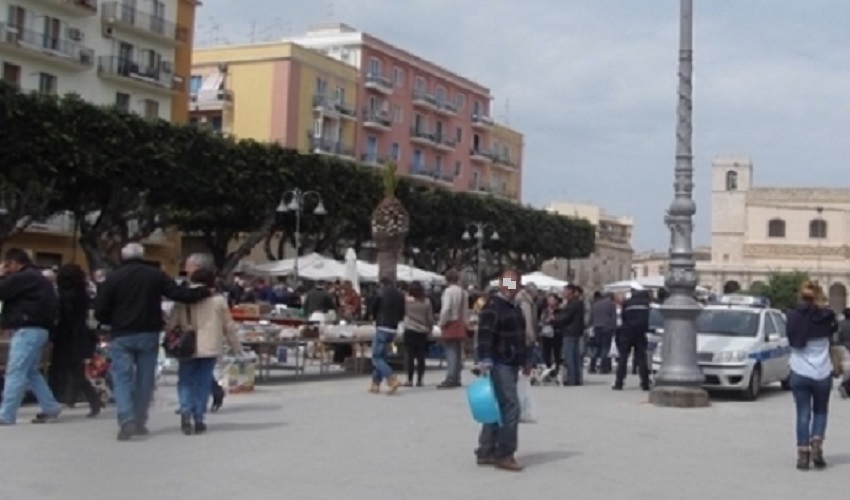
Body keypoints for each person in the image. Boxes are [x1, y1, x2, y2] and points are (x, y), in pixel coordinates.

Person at [95, 243, 211, 441]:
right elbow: (178, 294)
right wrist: (203, 291)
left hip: (121, 334)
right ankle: (140, 420)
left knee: (122, 378)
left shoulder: (113, 277)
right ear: (142, 256)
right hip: (148, 332)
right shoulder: (154, 274)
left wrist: (110, 321)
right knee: (145, 379)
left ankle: (126, 421)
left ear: (123, 257)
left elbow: (100, 310)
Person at [167, 265, 244, 435]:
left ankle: (185, 410)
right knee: (202, 382)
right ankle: (199, 417)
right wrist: (236, 347)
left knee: (185, 380)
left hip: (186, 346)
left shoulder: (182, 300)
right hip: (209, 346)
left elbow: (172, 324)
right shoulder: (218, 301)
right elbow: (228, 326)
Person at [474, 269, 529, 472]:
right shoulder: (494, 306)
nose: (512, 287)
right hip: (500, 362)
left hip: (512, 361)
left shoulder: (514, 307)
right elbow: (485, 335)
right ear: (501, 284)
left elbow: (520, 336)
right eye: (509, 282)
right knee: (511, 407)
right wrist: (485, 359)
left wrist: (525, 359)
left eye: (516, 283)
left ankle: (486, 449)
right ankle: (505, 453)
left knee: (496, 406)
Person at [0, 248, 62, 425]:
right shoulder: (38, 278)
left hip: (27, 329)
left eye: (7, 265)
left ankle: (6, 414)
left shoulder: (23, 277)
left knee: (16, 371)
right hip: (39, 329)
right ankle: (50, 407)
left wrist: (1, 275)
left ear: (13, 263)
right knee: (31, 372)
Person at [786, 281, 836, 470]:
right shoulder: (827, 316)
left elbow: (790, 338)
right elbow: (833, 333)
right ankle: (817, 445)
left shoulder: (793, 317)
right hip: (823, 372)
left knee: (803, 413)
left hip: (800, 371)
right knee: (821, 411)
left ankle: (803, 454)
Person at [48, 264, 101, 418]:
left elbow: (61, 318)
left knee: (57, 371)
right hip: (80, 337)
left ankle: (52, 403)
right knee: (76, 372)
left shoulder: (63, 296)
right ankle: (93, 400)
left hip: (65, 337)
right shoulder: (82, 294)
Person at [368, 277, 406, 394]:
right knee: (382, 357)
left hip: (382, 326)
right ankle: (375, 383)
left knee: (376, 357)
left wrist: (373, 318)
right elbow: (402, 312)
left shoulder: (380, 293)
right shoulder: (400, 295)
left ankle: (391, 378)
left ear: (381, 284)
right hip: (393, 328)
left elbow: (373, 308)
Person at [613, 286, 651, 391]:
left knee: (623, 358)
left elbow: (622, 317)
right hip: (640, 333)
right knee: (642, 358)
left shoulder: (627, 303)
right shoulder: (646, 305)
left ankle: (619, 382)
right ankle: (645, 383)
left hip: (627, 332)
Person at [437, 270, 469, 389]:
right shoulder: (464, 292)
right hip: (460, 323)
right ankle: (457, 376)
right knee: (458, 351)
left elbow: (446, 308)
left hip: (450, 323)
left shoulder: (448, 292)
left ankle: (450, 377)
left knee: (450, 351)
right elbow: (466, 310)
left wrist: (441, 322)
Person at [402, 281, 434, 387]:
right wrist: (430, 328)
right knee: (421, 357)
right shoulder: (426, 302)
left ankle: (409, 379)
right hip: (422, 330)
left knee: (409, 356)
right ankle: (420, 379)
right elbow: (429, 318)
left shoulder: (406, 301)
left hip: (409, 329)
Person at [554, 284, 585, 386]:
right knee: (575, 357)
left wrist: (554, 318)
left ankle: (571, 379)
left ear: (570, 291)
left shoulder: (572, 304)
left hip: (570, 332)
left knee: (569, 357)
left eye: (565, 291)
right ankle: (577, 378)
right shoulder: (578, 303)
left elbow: (566, 317)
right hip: (576, 332)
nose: (563, 293)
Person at [589, 291, 617, 374]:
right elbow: (613, 317)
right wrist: (614, 329)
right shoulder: (611, 304)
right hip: (607, 327)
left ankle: (592, 366)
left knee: (597, 347)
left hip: (597, 327)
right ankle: (603, 367)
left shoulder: (596, 304)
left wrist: (592, 326)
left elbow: (592, 316)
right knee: (605, 348)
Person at [836, 308, 850, 398]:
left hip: (843, 347)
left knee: (846, 368)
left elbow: (837, 337)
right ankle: (845, 386)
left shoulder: (840, 324)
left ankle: (845, 385)